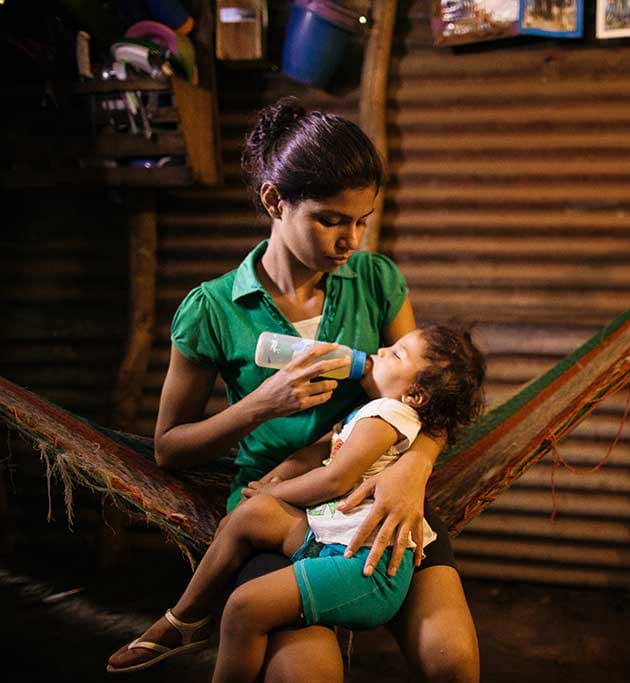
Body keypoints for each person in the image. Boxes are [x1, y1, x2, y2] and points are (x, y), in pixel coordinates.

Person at [105, 97, 483, 682]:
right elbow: (169, 449)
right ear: (274, 201)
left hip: (381, 494)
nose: (350, 240)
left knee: (452, 661)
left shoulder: (377, 282)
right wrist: (261, 406)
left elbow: (427, 398)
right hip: (283, 503)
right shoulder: (211, 310)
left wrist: (413, 472)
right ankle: (184, 621)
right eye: (331, 219)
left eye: (362, 220)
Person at [107, 325, 486, 680]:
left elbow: (336, 477)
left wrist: (272, 491)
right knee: (248, 517)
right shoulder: (377, 411)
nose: (382, 349)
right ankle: (184, 620)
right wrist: (278, 475)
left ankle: (194, 623)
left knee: (244, 607)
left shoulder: (388, 412)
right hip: (335, 536)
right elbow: (331, 451)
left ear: (415, 396)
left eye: (397, 354)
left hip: (364, 566)